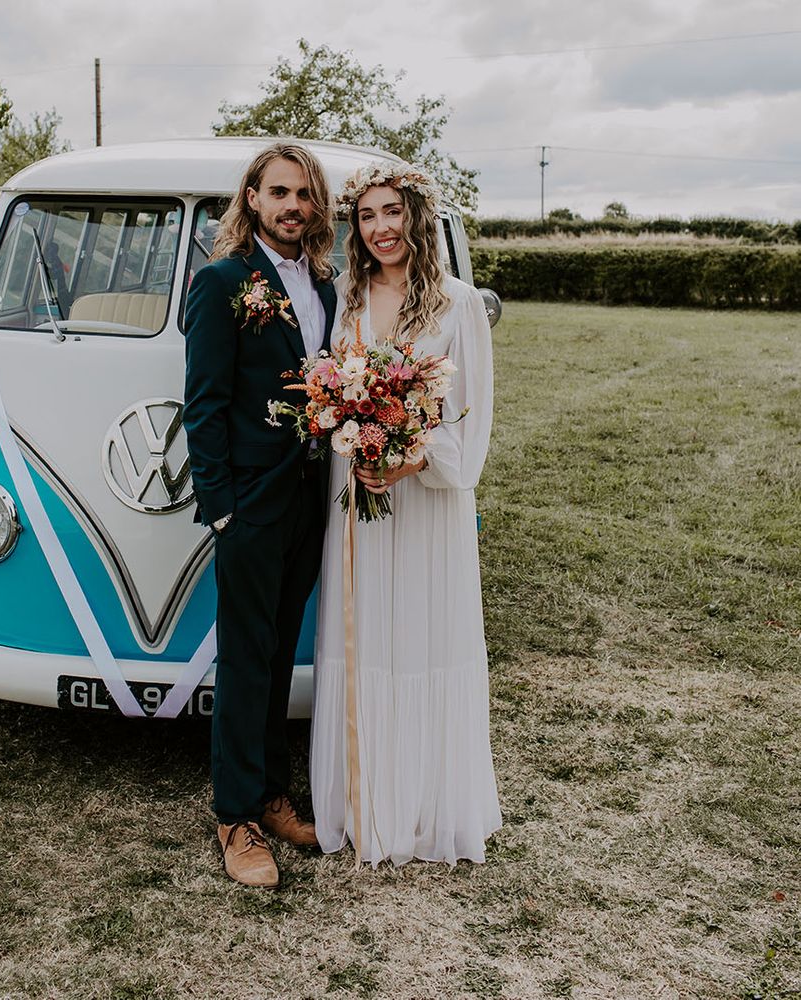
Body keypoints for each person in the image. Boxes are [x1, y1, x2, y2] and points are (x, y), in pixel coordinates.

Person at [310, 162, 502, 867]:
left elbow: (470, 421)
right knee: (365, 637)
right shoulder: (351, 297)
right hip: (358, 499)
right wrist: (352, 433)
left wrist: (410, 458)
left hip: (426, 506)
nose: (380, 227)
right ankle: (363, 800)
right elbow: (335, 387)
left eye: (392, 211)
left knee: (420, 636)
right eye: (366, 216)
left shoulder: (458, 306)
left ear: (415, 215)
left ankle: (423, 807)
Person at [183, 143, 337, 887]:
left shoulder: (326, 289)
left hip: (310, 500)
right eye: (279, 192)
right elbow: (204, 405)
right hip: (246, 508)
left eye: (304, 195)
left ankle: (274, 792)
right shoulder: (220, 285)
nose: (292, 207)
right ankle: (234, 815)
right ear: (251, 198)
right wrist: (219, 511)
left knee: (279, 656)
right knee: (244, 660)